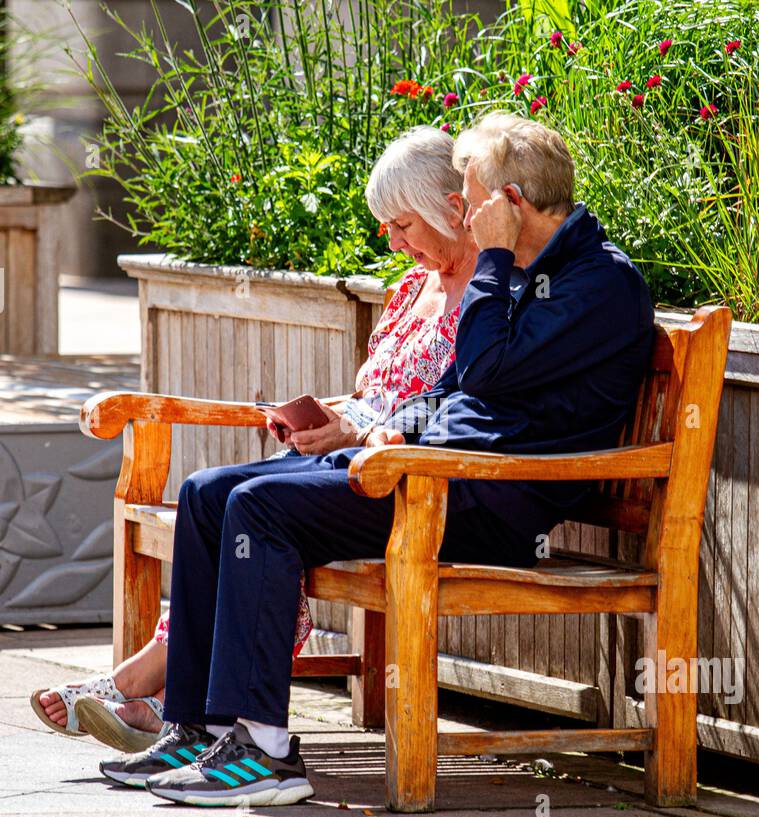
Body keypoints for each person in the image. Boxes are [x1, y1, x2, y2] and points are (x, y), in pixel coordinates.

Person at [102, 111, 657, 807]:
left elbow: (483, 367)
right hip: (429, 471)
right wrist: (390, 432)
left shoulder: (598, 285)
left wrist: (488, 260)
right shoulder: (526, 270)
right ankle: (201, 727)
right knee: (211, 493)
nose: (466, 209)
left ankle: (266, 752)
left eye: (473, 194)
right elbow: (455, 385)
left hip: (485, 501)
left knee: (259, 509)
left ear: (510, 204)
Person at [29, 125, 480, 750]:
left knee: (247, 507)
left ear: (451, 209)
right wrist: (323, 415)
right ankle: (177, 710)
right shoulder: (411, 291)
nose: (394, 241)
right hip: (345, 455)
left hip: (399, 476)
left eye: (403, 225)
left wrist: (358, 428)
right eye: (387, 227)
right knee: (206, 495)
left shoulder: (486, 297)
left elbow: (445, 409)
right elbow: (378, 392)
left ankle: (166, 699)